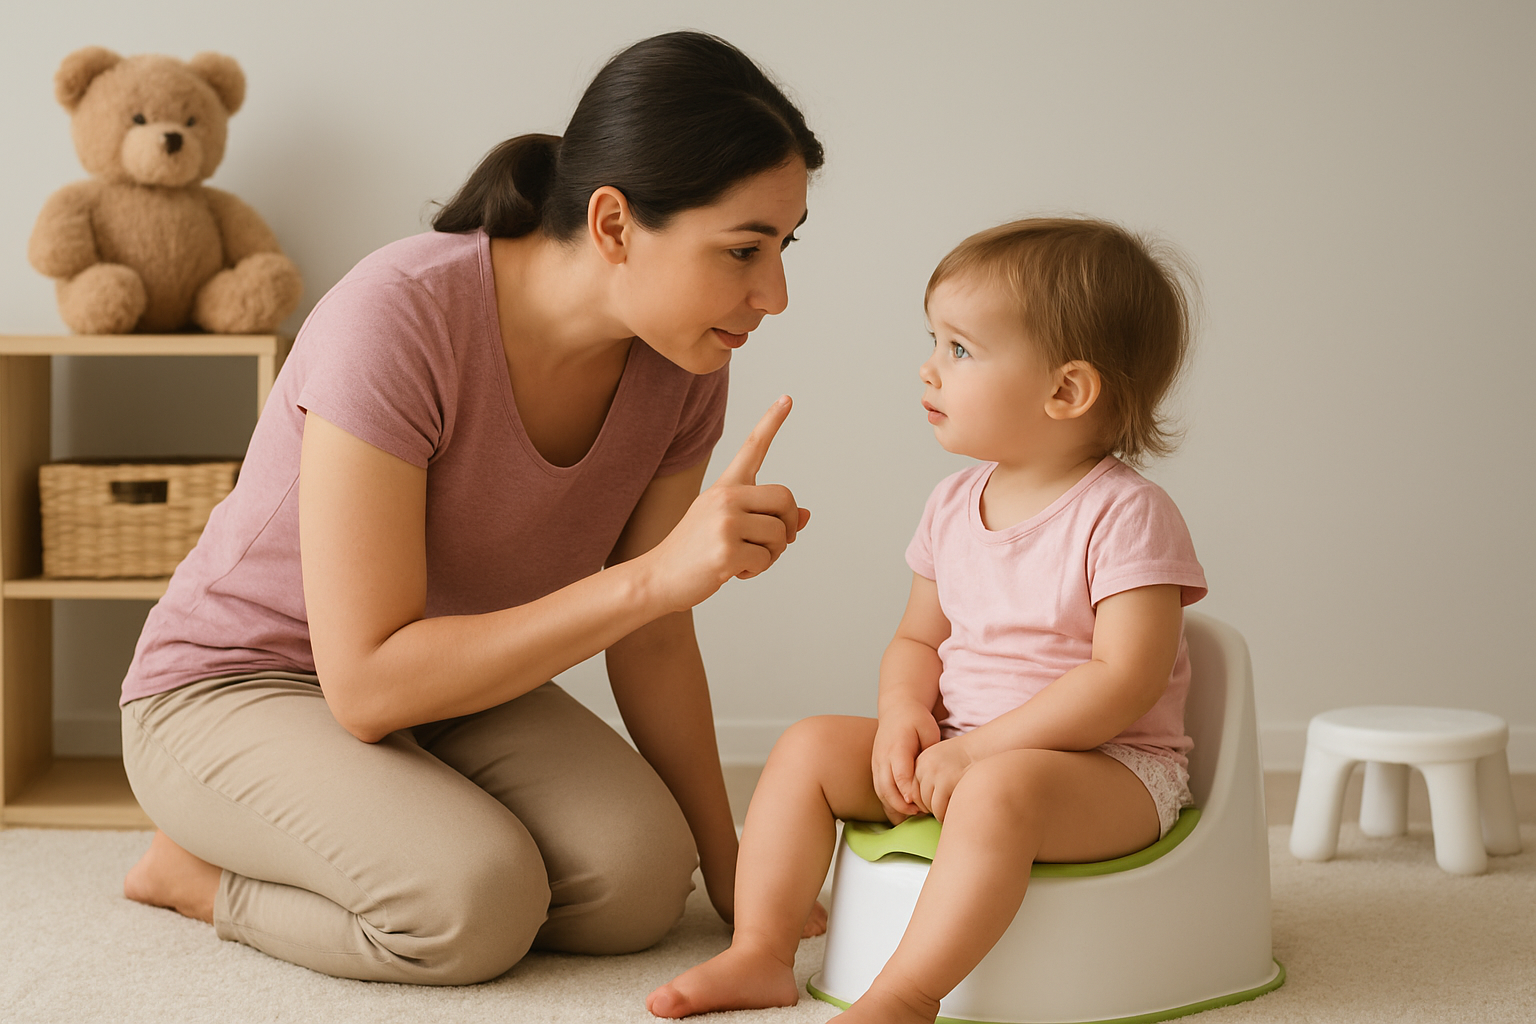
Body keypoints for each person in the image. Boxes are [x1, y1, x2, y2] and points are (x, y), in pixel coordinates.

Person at [117, 30, 824, 985]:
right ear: (614, 223)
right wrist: (653, 577)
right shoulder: (400, 316)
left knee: (642, 886)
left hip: (453, 686)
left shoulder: (686, 360)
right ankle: (193, 878)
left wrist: (728, 857)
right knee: (471, 909)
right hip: (238, 684)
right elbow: (365, 686)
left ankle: (409, 817)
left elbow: (652, 634)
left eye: (784, 246)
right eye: (744, 248)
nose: (772, 293)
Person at [649, 217, 1207, 1023]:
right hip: (962, 748)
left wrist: (980, 751)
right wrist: (906, 715)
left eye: (960, 349)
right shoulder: (953, 504)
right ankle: (760, 952)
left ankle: (907, 995)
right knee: (809, 745)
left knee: (999, 792)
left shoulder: (1126, 515)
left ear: (1066, 391)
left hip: (1111, 770)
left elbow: (1124, 682)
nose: (929, 368)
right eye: (935, 340)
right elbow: (918, 639)